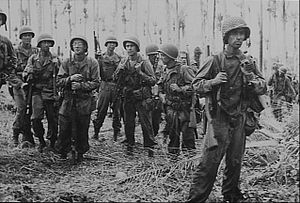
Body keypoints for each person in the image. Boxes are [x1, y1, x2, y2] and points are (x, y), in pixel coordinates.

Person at [188, 16, 267, 202]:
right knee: (209, 163)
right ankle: (196, 198)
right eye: (235, 34)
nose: (239, 38)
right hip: (218, 119)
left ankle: (231, 195)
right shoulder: (214, 60)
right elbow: (196, 85)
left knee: (235, 161)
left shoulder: (248, 62)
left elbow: (263, 86)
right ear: (226, 37)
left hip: (239, 118)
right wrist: (213, 82)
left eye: (242, 34)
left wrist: (252, 81)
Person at [56, 35, 100, 162]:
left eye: (80, 44)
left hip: (84, 100)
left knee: (82, 127)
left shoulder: (92, 63)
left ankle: (80, 152)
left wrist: (81, 86)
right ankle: (63, 152)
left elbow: (96, 82)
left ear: (85, 47)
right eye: (74, 44)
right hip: (68, 99)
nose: (77, 46)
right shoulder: (66, 62)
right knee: (64, 127)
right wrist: (70, 79)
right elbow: (58, 81)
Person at [112, 36, 157, 156]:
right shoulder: (123, 61)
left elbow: (153, 80)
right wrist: (119, 71)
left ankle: (149, 147)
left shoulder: (144, 62)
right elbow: (115, 79)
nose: (129, 48)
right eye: (127, 46)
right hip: (128, 96)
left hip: (141, 96)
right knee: (128, 122)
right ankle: (129, 145)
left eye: (131, 46)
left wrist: (140, 73)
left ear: (137, 48)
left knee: (145, 122)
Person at [23, 33, 60, 152]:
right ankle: (41, 140)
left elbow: (60, 76)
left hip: (50, 91)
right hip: (37, 92)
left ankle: (52, 141)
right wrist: (29, 74)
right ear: (39, 45)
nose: (46, 45)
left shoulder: (54, 59)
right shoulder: (33, 58)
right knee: (35, 118)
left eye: (48, 43)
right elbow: (25, 73)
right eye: (44, 43)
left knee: (53, 119)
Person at [157, 44, 196, 156]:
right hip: (170, 109)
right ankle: (173, 161)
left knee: (188, 137)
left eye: (163, 56)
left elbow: (195, 86)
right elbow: (160, 85)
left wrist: (180, 89)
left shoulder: (184, 69)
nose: (161, 58)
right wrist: (161, 95)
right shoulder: (165, 70)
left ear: (170, 57)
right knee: (173, 137)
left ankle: (190, 161)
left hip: (184, 109)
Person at [1, 11, 27, 147]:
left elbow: (12, 60)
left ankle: (19, 133)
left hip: (7, 79)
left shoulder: (5, 41)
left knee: (23, 107)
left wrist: (7, 73)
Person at [12, 26, 38, 148]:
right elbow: (10, 71)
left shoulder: (35, 51)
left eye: (29, 35)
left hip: (31, 85)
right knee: (22, 108)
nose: (27, 37)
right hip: (18, 84)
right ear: (21, 37)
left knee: (30, 111)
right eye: (25, 35)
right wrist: (20, 83)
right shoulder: (15, 51)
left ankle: (27, 136)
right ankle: (15, 132)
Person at [92, 36, 122, 142]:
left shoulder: (119, 58)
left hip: (115, 86)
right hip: (104, 85)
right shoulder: (100, 57)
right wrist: (97, 59)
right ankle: (96, 132)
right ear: (106, 45)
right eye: (109, 43)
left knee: (117, 112)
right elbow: (96, 71)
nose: (111, 45)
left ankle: (116, 133)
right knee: (101, 110)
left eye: (114, 43)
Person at [145, 44, 164, 138]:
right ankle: (149, 136)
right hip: (147, 94)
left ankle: (154, 135)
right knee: (148, 117)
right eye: (152, 55)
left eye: (156, 55)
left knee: (156, 117)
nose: (155, 57)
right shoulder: (145, 65)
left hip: (157, 95)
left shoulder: (161, 66)